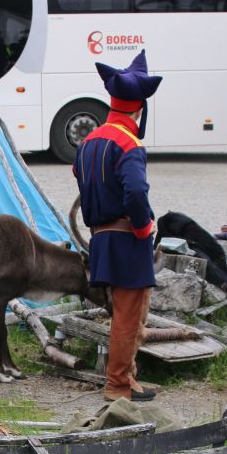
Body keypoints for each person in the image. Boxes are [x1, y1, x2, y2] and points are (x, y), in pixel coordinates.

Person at [73, 49, 161, 402]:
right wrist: (143, 227)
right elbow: (136, 191)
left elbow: (81, 179)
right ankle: (118, 384)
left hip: (101, 238)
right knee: (128, 316)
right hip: (127, 239)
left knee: (122, 313)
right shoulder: (129, 143)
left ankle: (125, 378)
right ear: (139, 107)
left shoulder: (88, 142)